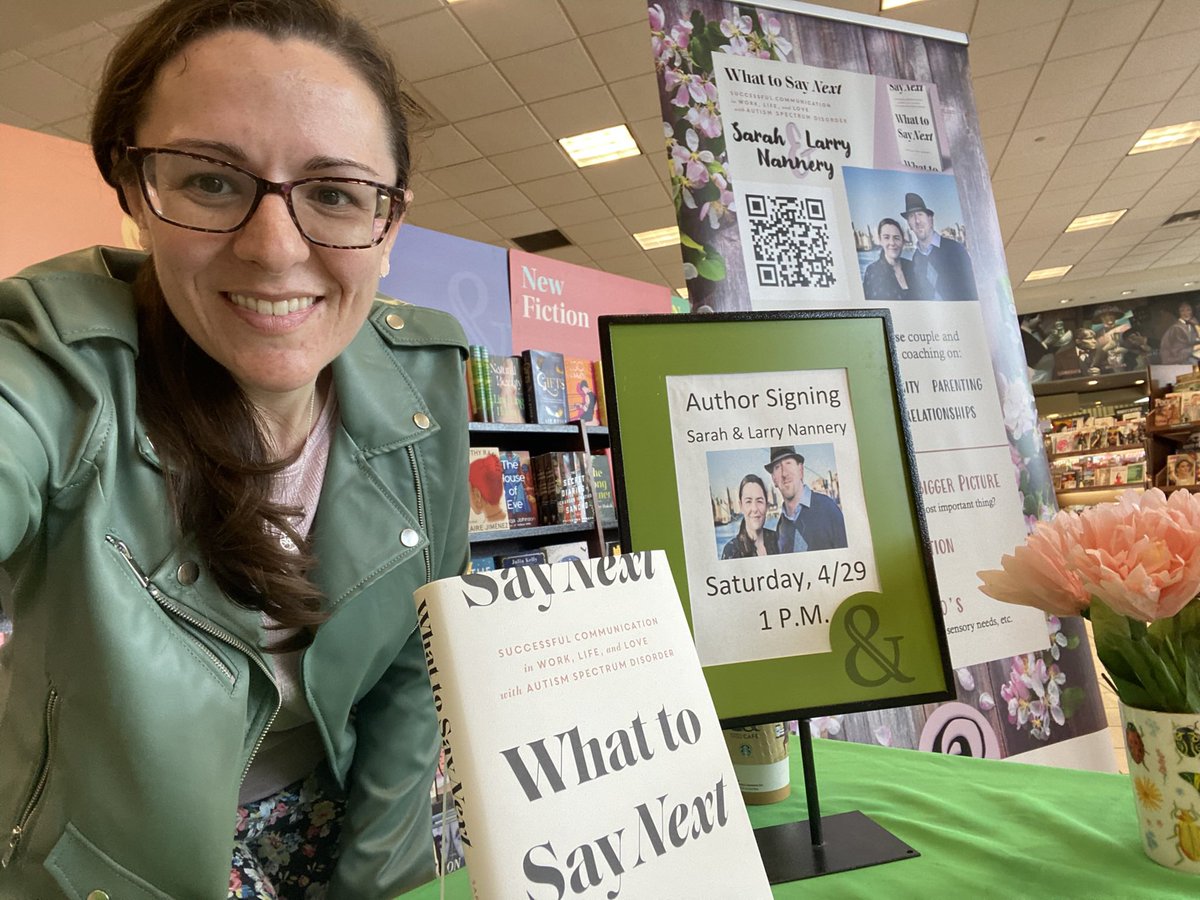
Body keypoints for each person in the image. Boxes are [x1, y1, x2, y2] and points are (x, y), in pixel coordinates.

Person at [0, 1, 470, 897]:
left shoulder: (426, 384)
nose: (273, 248)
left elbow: (418, 662)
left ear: (391, 222)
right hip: (111, 859)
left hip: (339, 822)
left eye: (334, 193)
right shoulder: (54, 366)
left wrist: (375, 883)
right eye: (212, 181)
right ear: (135, 188)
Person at [764, 447, 847, 553]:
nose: (784, 473)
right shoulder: (781, 526)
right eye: (777, 467)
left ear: (800, 470)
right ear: (774, 479)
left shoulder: (827, 508)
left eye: (788, 463)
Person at [902, 192, 978, 301]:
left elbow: (973, 287)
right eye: (911, 216)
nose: (917, 220)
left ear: (930, 219)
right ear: (909, 224)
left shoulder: (955, 249)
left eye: (920, 214)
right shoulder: (916, 259)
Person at [861, 217, 931, 301]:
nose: (892, 243)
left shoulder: (913, 267)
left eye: (896, 238)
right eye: (886, 237)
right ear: (880, 241)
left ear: (902, 241)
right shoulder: (872, 271)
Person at [721, 474, 779, 559]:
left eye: (759, 501)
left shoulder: (779, 540)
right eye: (748, 501)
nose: (754, 509)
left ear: (766, 506)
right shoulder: (731, 551)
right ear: (741, 506)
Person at [1159, 301, 1200, 365]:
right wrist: (1197, 347)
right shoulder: (1177, 328)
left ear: (1192, 311)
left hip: (1186, 356)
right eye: (1182, 310)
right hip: (1174, 361)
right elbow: (1180, 352)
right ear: (1178, 312)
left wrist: (1196, 325)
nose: (1186, 313)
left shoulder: (1190, 324)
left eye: (1188, 310)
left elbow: (1194, 339)